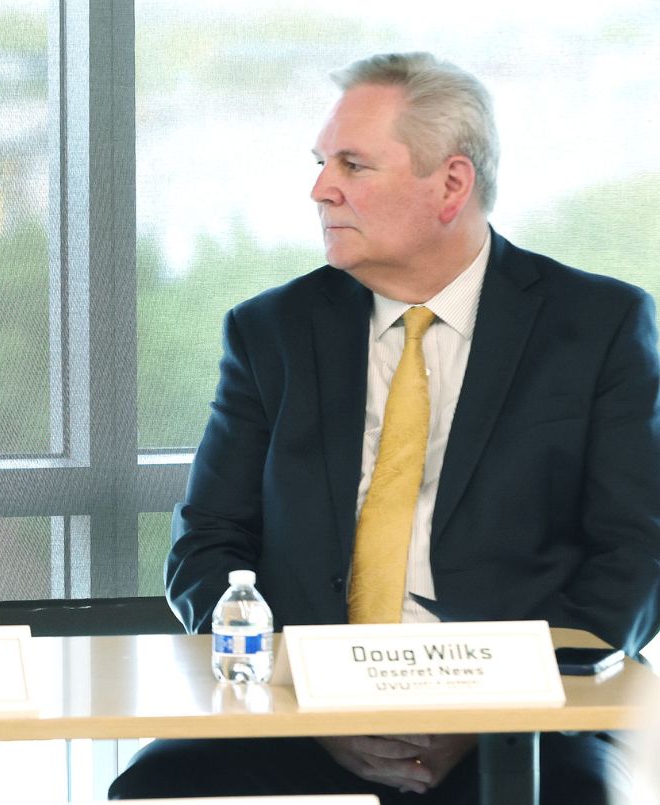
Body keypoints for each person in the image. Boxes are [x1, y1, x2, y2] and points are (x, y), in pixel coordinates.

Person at [110, 53, 660, 803]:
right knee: (156, 788)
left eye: (353, 164)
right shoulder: (271, 331)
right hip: (299, 711)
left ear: (452, 185)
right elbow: (207, 543)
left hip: (525, 718)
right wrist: (298, 704)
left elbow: (636, 551)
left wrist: (495, 715)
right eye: (320, 162)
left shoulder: (597, 325)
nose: (320, 187)